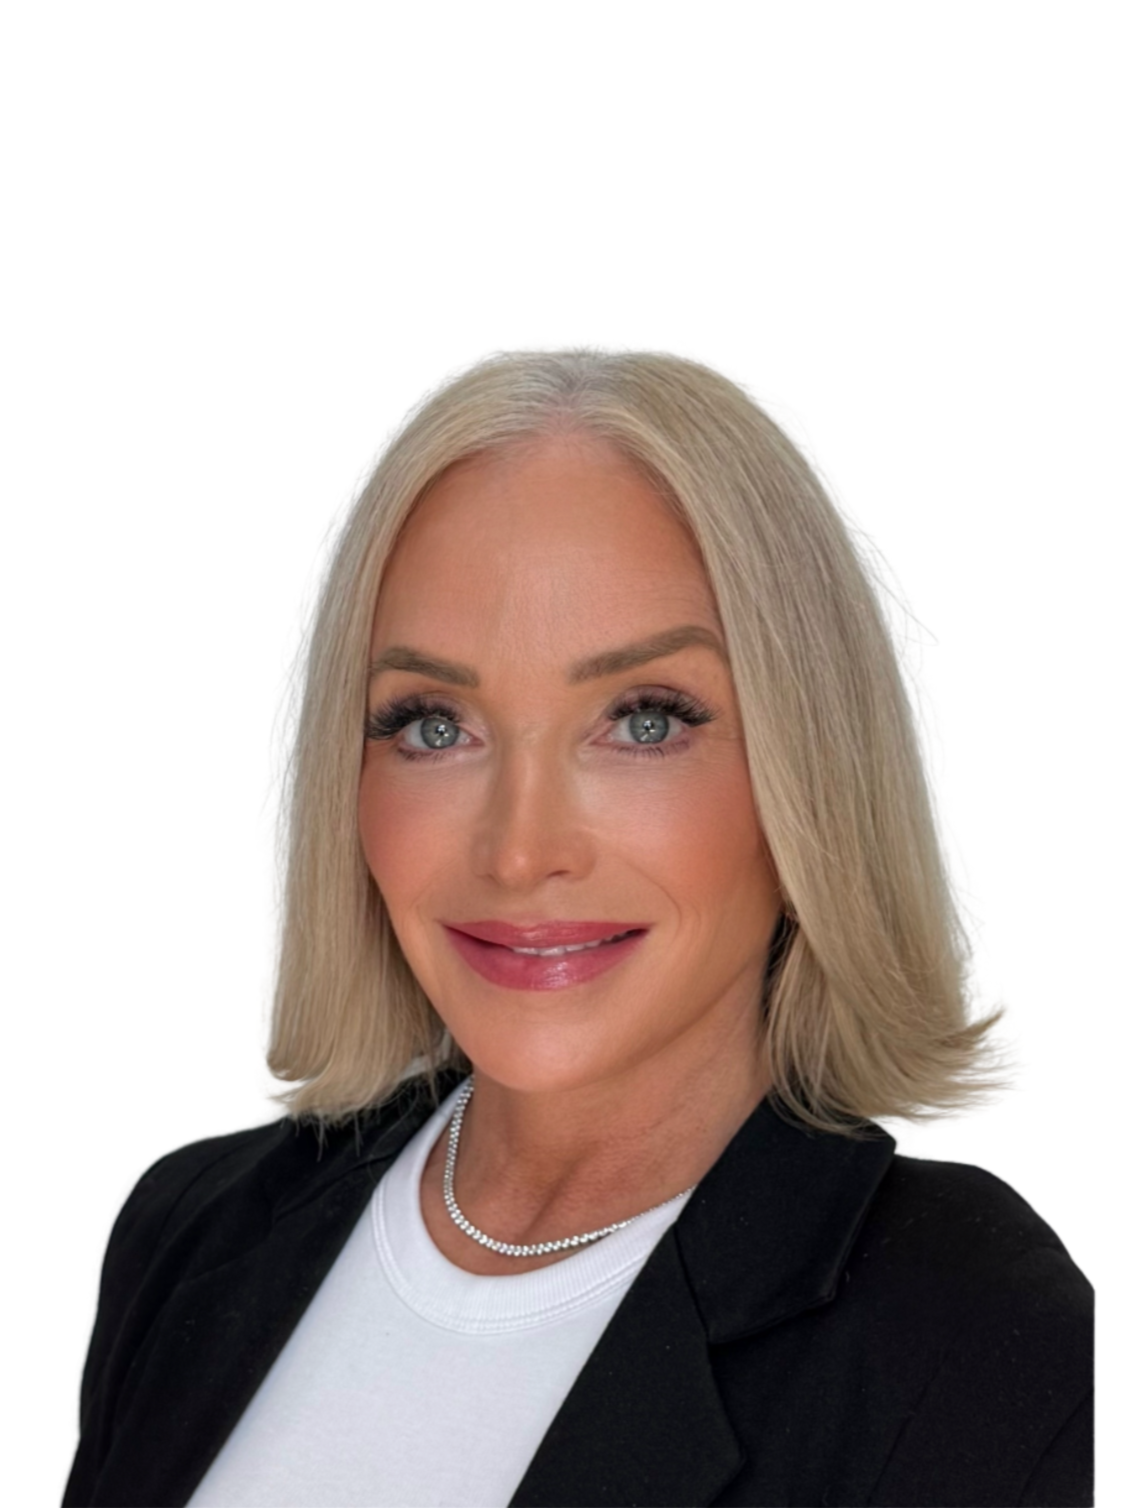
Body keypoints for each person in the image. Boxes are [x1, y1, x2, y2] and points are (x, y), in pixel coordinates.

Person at [62, 351, 1093, 1508]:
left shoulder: (974, 1333)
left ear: (809, 771)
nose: (519, 847)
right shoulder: (193, 1235)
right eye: (432, 724)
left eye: (643, 720)